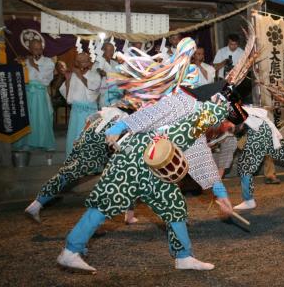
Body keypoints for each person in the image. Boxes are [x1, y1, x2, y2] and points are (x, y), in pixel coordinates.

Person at [56, 95, 234, 273]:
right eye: (223, 120)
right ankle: (71, 251)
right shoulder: (184, 102)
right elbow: (153, 113)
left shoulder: (201, 125)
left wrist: (220, 192)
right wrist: (120, 126)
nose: (220, 125)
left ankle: (184, 257)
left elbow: (202, 158)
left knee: (174, 207)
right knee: (108, 200)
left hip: (158, 169)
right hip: (134, 158)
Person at [13, 40, 56, 152]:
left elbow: (45, 79)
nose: (38, 51)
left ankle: (44, 142)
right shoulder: (25, 61)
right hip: (27, 93)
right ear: (30, 49)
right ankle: (27, 143)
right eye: (35, 49)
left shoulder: (48, 62)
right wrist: (20, 65)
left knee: (42, 118)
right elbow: (20, 78)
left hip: (40, 93)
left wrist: (33, 65)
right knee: (28, 119)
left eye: (40, 48)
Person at [60, 53, 99, 156]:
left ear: (89, 62)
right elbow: (68, 97)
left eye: (85, 61)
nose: (82, 63)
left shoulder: (95, 75)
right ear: (76, 63)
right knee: (75, 136)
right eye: (79, 61)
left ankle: (89, 162)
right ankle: (73, 162)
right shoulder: (72, 75)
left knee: (88, 137)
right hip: (76, 112)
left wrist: (80, 75)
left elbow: (93, 87)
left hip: (90, 112)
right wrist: (68, 79)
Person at [88, 42, 123, 108]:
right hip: (103, 98)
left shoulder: (115, 63)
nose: (111, 52)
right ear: (103, 51)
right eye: (109, 50)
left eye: (112, 50)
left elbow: (120, 79)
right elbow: (92, 83)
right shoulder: (97, 64)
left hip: (116, 97)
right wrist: (100, 75)